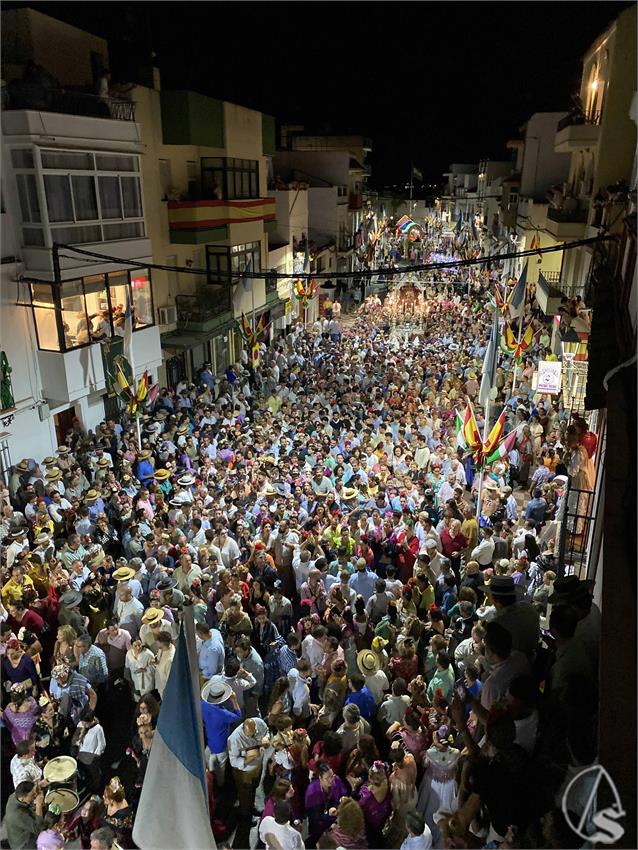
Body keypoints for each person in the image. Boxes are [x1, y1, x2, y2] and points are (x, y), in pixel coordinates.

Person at [5, 781, 45, 850]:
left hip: (16, 833)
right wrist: (39, 805)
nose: (36, 795)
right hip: (23, 844)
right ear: (23, 798)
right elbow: (38, 828)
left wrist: (39, 786)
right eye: (33, 795)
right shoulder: (17, 815)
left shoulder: (15, 796)